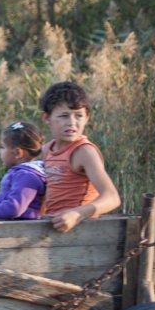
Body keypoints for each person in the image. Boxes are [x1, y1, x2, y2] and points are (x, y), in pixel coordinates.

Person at [38, 81, 120, 233]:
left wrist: (77, 214)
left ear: (87, 117)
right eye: (63, 116)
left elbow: (112, 197)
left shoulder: (84, 152)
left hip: (81, 233)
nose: (71, 123)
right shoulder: (47, 150)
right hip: (53, 228)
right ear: (47, 118)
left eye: (78, 116)